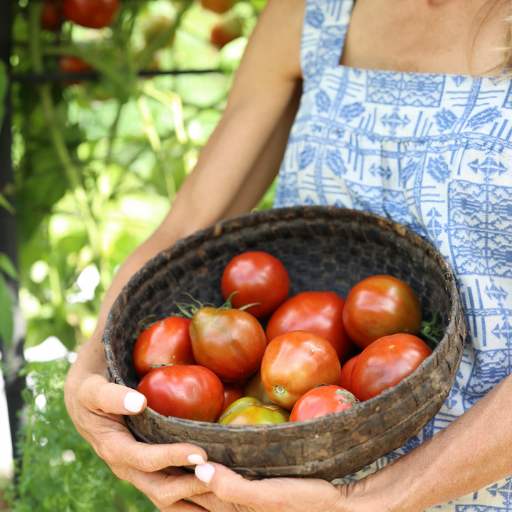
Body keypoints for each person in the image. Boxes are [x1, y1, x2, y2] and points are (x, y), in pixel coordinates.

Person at [64, 0, 512, 510]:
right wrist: (94, 367)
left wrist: (371, 499)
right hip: (283, 480)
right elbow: (190, 221)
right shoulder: (313, 9)